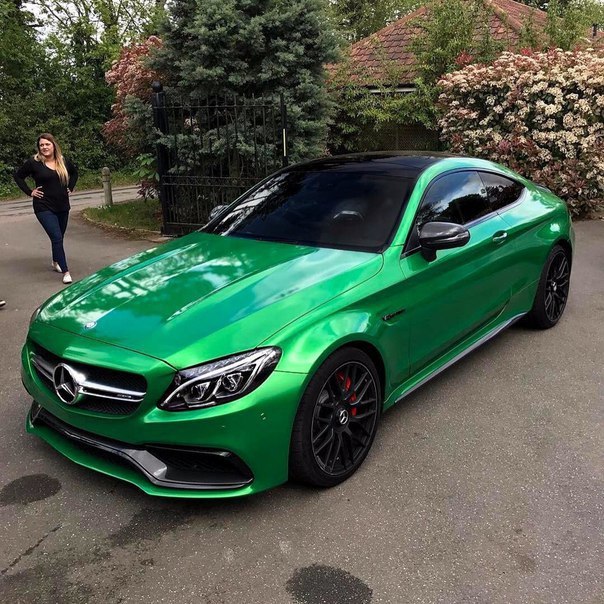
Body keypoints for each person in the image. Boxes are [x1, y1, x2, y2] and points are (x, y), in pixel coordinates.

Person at [14, 133, 78, 284]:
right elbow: (18, 176)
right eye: (41, 145)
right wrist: (30, 192)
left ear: (53, 145)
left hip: (62, 205)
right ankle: (66, 271)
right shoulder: (34, 162)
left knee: (59, 237)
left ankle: (55, 261)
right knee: (56, 237)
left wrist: (71, 187)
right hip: (43, 206)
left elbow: (74, 173)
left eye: (47, 144)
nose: (44, 147)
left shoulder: (62, 161)